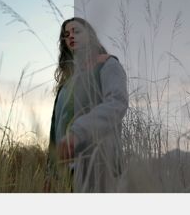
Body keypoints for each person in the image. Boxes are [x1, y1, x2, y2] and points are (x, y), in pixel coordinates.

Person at [44, 17, 129, 193]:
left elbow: (117, 103)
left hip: (99, 164)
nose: (71, 37)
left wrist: (78, 132)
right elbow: (55, 130)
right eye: (66, 35)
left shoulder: (108, 64)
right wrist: (50, 172)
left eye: (77, 31)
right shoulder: (66, 85)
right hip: (67, 173)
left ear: (90, 35)